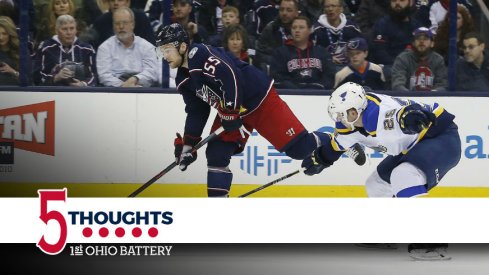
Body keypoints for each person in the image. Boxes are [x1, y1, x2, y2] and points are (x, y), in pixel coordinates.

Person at [156, 23, 363, 197]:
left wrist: (229, 110)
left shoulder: (199, 54)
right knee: (216, 153)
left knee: (300, 150)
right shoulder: (183, 79)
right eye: (162, 51)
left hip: (259, 100)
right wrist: (188, 145)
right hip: (234, 111)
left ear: (182, 46)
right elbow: (197, 111)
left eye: (167, 49)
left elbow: (230, 75)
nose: (164, 55)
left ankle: (338, 140)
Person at [301, 82, 460, 259]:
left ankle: (433, 240)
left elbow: (402, 114)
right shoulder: (349, 126)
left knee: (404, 175)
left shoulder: (379, 113)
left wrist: (411, 117)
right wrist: (321, 158)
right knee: (376, 184)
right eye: (338, 116)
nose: (342, 119)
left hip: (441, 137)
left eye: (346, 114)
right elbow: (336, 146)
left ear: (358, 109)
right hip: (412, 146)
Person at [96, 6, 158, 87]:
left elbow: (152, 72)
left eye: (125, 23)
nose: (121, 26)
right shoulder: (104, 48)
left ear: (133, 24)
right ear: (113, 26)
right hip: (114, 92)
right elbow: (104, 76)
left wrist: (135, 79)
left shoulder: (147, 47)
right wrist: (124, 86)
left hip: (141, 91)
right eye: (117, 23)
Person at [271, 16, 335, 89]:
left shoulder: (321, 52)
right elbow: (278, 77)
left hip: (318, 94)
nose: (297, 30)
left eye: (301, 27)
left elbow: (329, 76)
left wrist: (318, 87)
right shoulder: (280, 53)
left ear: (310, 30)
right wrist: (296, 89)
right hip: (290, 94)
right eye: (294, 28)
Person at [33, 14, 97, 86]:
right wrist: (56, 77)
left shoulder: (87, 49)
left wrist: (83, 84)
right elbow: (36, 77)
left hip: (80, 93)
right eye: (64, 29)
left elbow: (94, 76)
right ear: (56, 31)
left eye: (72, 28)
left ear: (76, 30)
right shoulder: (45, 48)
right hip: (53, 93)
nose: (69, 32)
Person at [391, 27, 447, 91]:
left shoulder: (438, 60)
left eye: (425, 39)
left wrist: (431, 94)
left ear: (432, 43)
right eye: (418, 39)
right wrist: (410, 96)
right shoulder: (403, 58)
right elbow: (397, 85)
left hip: (432, 99)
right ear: (413, 43)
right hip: (407, 99)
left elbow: (442, 85)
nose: (421, 41)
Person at [311, 0, 362, 66]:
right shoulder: (316, 30)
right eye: (327, 6)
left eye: (333, 6)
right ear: (323, 10)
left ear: (341, 9)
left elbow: (361, 49)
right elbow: (311, 53)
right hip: (325, 68)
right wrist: (328, 59)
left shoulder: (352, 27)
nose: (330, 9)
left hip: (350, 67)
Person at [0, 15, 20, 85]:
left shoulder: (21, 52)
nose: (1, 37)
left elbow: (29, 81)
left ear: (10, 34)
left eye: (4, 34)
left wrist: (13, 72)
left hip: (16, 92)